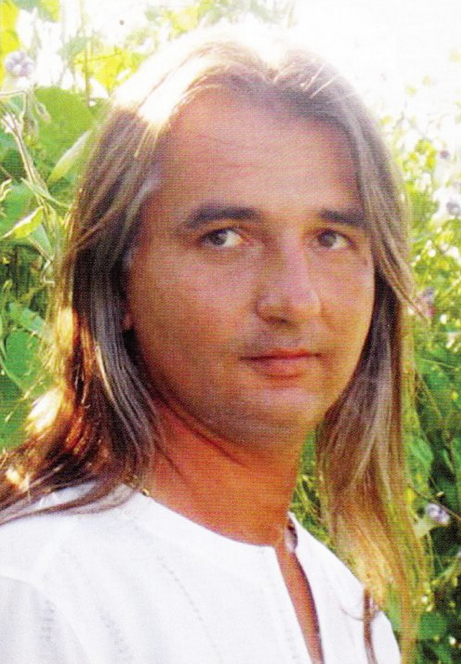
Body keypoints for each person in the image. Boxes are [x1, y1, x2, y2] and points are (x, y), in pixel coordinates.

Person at [0, 27, 423, 664]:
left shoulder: (352, 613)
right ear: (117, 279)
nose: (295, 300)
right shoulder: (42, 595)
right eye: (224, 237)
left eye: (331, 238)